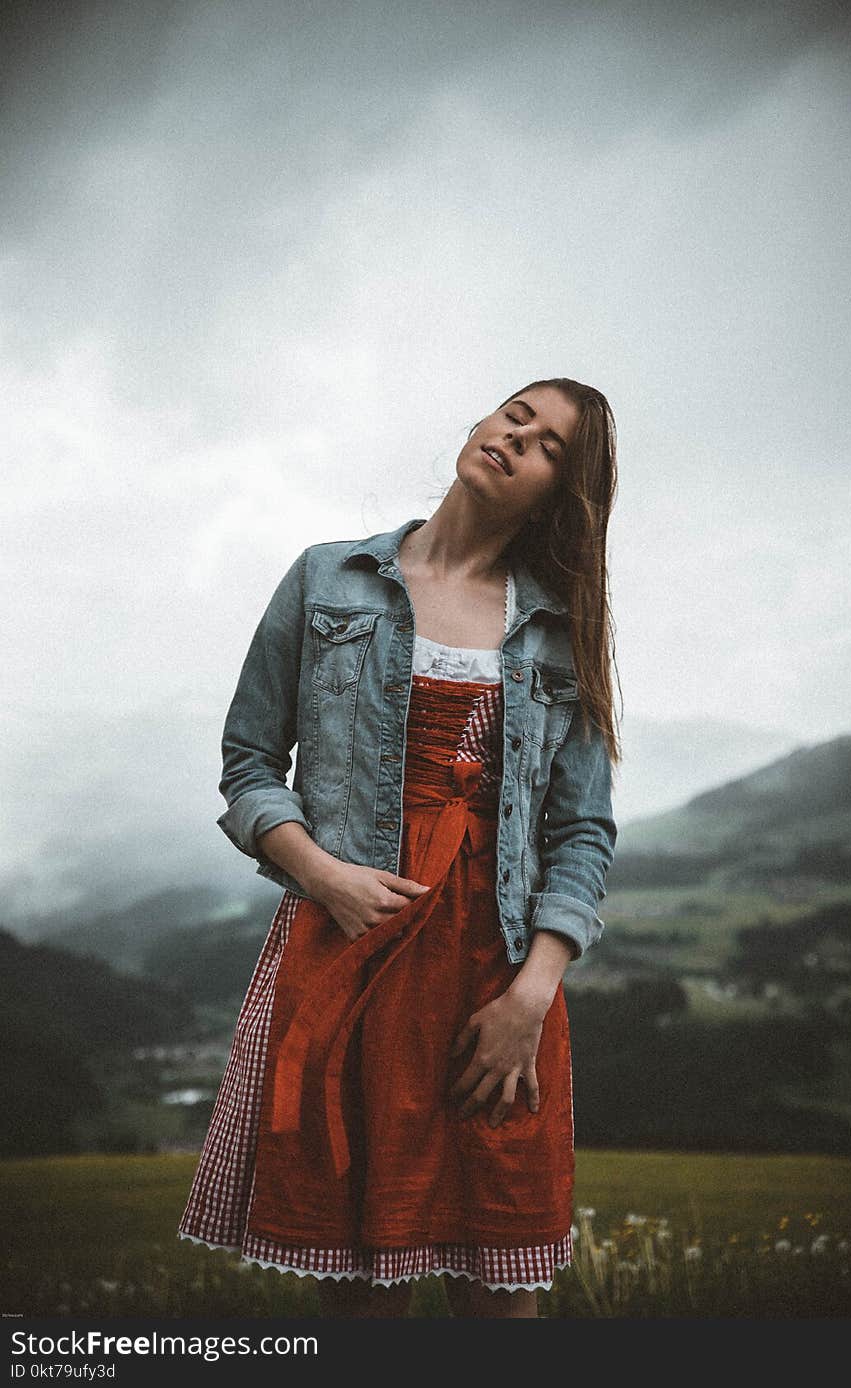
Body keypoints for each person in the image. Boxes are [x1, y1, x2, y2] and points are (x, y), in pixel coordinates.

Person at [177, 377, 620, 1319]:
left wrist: (530, 996)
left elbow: (580, 832)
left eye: (546, 443)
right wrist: (321, 876)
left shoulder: (558, 626)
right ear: (480, 420)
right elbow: (250, 763)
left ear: (560, 490)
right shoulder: (326, 577)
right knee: (364, 1290)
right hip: (348, 949)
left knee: (500, 1293)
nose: (516, 435)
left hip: (495, 975)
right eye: (516, 412)